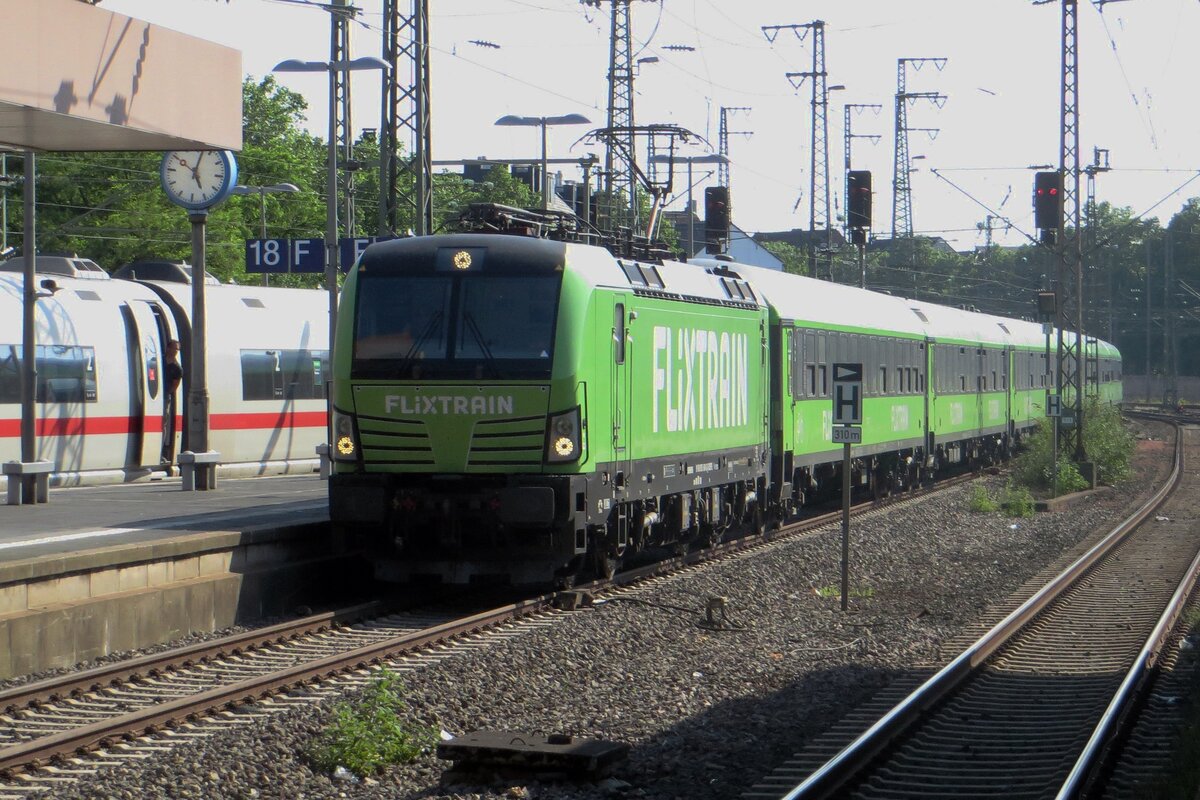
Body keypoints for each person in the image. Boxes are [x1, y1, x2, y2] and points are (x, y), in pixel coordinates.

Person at [160, 339, 182, 473]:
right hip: (155, 397)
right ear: (167, 348)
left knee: (162, 425)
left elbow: (175, 385)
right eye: (174, 348)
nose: (175, 351)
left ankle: (161, 451)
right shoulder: (158, 361)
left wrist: (166, 393)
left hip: (164, 398)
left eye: (177, 349)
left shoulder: (177, 368)